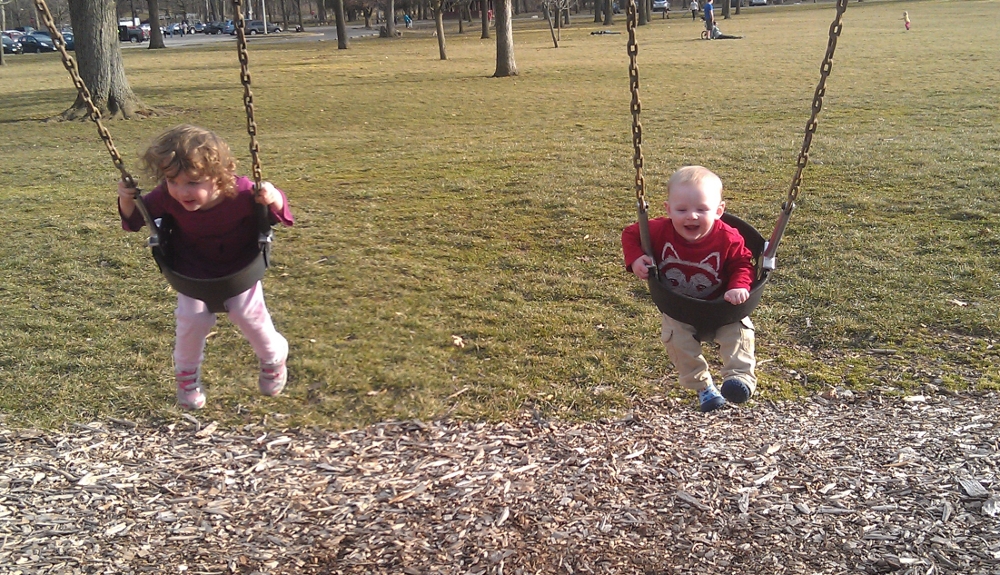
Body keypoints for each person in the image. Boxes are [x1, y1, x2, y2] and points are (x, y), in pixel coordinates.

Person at [116, 125, 294, 410]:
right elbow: (135, 220)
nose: (181, 191)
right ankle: (186, 376)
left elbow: (280, 214)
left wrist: (272, 196)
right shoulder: (166, 196)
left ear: (219, 175)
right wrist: (127, 198)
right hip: (192, 268)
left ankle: (274, 357)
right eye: (172, 181)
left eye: (192, 182)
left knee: (247, 313)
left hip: (239, 265)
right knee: (191, 319)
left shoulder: (242, 192)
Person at [621, 166, 757, 413]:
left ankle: (739, 378)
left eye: (702, 209)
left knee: (739, 332)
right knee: (677, 340)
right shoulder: (659, 230)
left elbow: (743, 263)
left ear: (719, 211)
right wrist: (636, 258)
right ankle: (703, 387)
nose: (691, 216)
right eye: (681, 210)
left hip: (723, 304)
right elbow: (630, 234)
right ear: (668, 209)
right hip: (678, 306)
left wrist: (738, 285)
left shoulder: (728, 238)